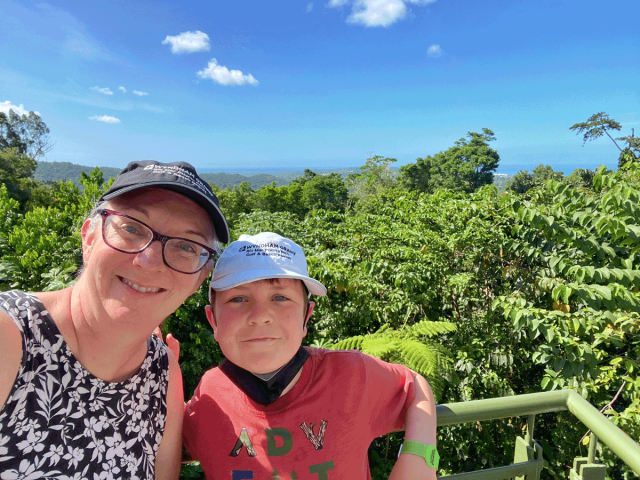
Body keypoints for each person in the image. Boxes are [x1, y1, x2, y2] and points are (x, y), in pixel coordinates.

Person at [0, 160, 229, 480]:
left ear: (197, 282)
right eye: (132, 227)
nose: (149, 261)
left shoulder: (162, 372)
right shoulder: (11, 337)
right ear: (89, 238)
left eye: (186, 246)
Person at [182, 232, 438, 480]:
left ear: (306, 316)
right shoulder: (209, 394)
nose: (260, 315)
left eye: (280, 297)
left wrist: (419, 458)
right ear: (213, 320)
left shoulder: (350, 375)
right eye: (238, 298)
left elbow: (413, 385)